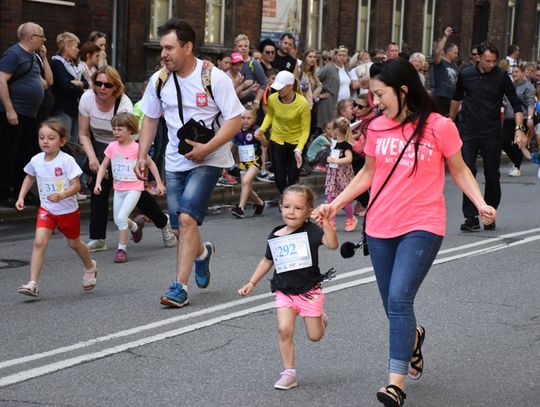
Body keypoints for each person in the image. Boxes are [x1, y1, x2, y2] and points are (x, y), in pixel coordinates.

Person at [314, 58, 496, 407]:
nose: (375, 101)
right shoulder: (377, 127)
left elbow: (459, 170)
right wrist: (335, 205)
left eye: (380, 94)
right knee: (392, 305)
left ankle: (395, 384)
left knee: (399, 299)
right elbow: (367, 173)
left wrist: (480, 202)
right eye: (372, 94)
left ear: (403, 90)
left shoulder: (439, 126)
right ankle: (413, 337)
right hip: (381, 225)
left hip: (423, 224)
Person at [135, 18, 243, 308]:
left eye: (169, 48)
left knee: (186, 219)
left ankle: (178, 287)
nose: (164, 54)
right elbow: (150, 118)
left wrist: (207, 147)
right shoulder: (159, 80)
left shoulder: (214, 77)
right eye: (162, 48)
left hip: (209, 158)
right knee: (182, 226)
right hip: (174, 161)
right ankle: (202, 254)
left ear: (188, 47)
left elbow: (234, 120)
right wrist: (141, 154)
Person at [238, 184, 338, 390]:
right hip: (285, 292)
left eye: (298, 208)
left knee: (315, 336)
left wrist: (326, 223)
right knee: (284, 329)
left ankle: (320, 317)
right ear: (280, 208)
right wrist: (251, 282)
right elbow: (267, 261)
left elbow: (332, 244)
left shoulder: (311, 231)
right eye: (287, 206)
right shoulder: (276, 234)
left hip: (309, 292)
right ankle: (289, 372)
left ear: (309, 211)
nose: (291, 212)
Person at [79, 65, 176, 252]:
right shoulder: (87, 99)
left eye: (107, 85)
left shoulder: (123, 104)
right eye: (98, 83)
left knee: (138, 195)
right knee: (98, 192)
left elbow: (131, 134)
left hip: (126, 148)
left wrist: (135, 163)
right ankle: (98, 238)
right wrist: (92, 157)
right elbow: (83, 133)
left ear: (115, 86)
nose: (102, 88)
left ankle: (163, 223)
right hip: (101, 148)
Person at [16, 118, 97, 298]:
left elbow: (76, 186)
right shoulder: (36, 160)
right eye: (42, 137)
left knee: (74, 243)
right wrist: (21, 196)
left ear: (62, 141)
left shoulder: (66, 161)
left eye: (51, 138)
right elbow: (29, 177)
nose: (45, 141)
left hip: (67, 210)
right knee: (39, 242)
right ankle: (33, 283)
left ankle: (90, 265)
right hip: (47, 209)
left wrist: (62, 195)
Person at [449, 42, 526, 231]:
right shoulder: (466, 74)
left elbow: (516, 104)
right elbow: (456, 98)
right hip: (468, 131)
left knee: (492, 175)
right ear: (478, 58)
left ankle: (489, 214)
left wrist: (519, 128)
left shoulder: (500, 76)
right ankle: (471, 217)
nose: (490, 64)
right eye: (487, 61)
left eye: (493, 61)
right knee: (467, 173)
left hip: (491, 133)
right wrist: (450, 120)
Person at [94, 113, 165, 263]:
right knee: (119, 219)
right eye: (114, 129)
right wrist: (98, 183)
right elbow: (103, 166)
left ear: (130, 130)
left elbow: (151, 164)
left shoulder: (138, 148)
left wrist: (159, 183)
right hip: (118, 188)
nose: (115, 132)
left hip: (134, 188)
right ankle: (135, 228)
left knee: (120, 218)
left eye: (120, 129)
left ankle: (122, 250)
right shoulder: (112, 147)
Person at [0, 22, 51, 207]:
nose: (44, 40)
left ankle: (23, 191)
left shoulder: (34, 57)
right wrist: (9, 109)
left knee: (27, 153)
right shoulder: (13, 54)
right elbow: (1, 80)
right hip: (15, 113)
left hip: (31, 114)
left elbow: (46, 82)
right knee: (9, 153)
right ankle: (6, 192)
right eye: (41, 36)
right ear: (31, 38)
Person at [256, 70, 311, 194]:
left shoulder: (302, 103)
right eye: (277, 87)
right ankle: (285, 197)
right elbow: (270, 115)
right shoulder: (272, 98)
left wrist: (299, 148)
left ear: (290, 86)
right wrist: (262, 129)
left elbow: (306, 129)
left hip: (296, 143)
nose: (278, 90)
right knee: (279, 178)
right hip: (277, 140)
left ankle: (288, 200)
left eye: (281, 88)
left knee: (293, 178)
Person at [231, 104, 267, 219]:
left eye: (249, 118)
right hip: (243, 163)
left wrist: (261, 138)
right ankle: (260, 203)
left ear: (254, 118)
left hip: (255, 161)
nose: (246, 121)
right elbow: (230, 146)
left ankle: (240, 209)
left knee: (246, 181)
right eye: (243, 118)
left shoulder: (256, 130)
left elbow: (265, 145)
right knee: (246, 187)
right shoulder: (237, 130)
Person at [51, 32, 87, 143]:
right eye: (76, 47)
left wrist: (79, 84)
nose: (78, 50)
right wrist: (80, 88)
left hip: (76, 110)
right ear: (67, 47)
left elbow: (86, 83)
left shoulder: (74, 65)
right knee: (63, 143)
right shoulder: (57, 63)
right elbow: (65, 85)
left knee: (74, 145)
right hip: (63, 109)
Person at [502, 64, 535, 177]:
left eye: (516, 72)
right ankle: (515, 160)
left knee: (517, 143)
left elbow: (530, 103)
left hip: (522, 118)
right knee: (504, 142)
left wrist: (530, 118)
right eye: (513, 72)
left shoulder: (528, 87)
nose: (514, 74)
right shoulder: (509, 86)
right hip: (508, 118)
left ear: (522, 73)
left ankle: (516, 167)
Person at [325, 117, 357, 231]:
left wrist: (336, 161)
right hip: (334, 174)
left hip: (343, 175)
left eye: (331, 129)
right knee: (330, 198)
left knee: (345, 200)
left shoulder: (346, 145)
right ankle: (331, 221)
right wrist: (330, 159)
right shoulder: (334, 143)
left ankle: (350, 218)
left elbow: (349, 159)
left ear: (336, 130)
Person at [432, 27, 459, 116]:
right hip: (441, 96)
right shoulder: (440, 63)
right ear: (448, 52)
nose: (456, 55)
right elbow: (437, 52)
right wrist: (445, 36)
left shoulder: (454, 66)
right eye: (455, 53)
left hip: (451, 98)